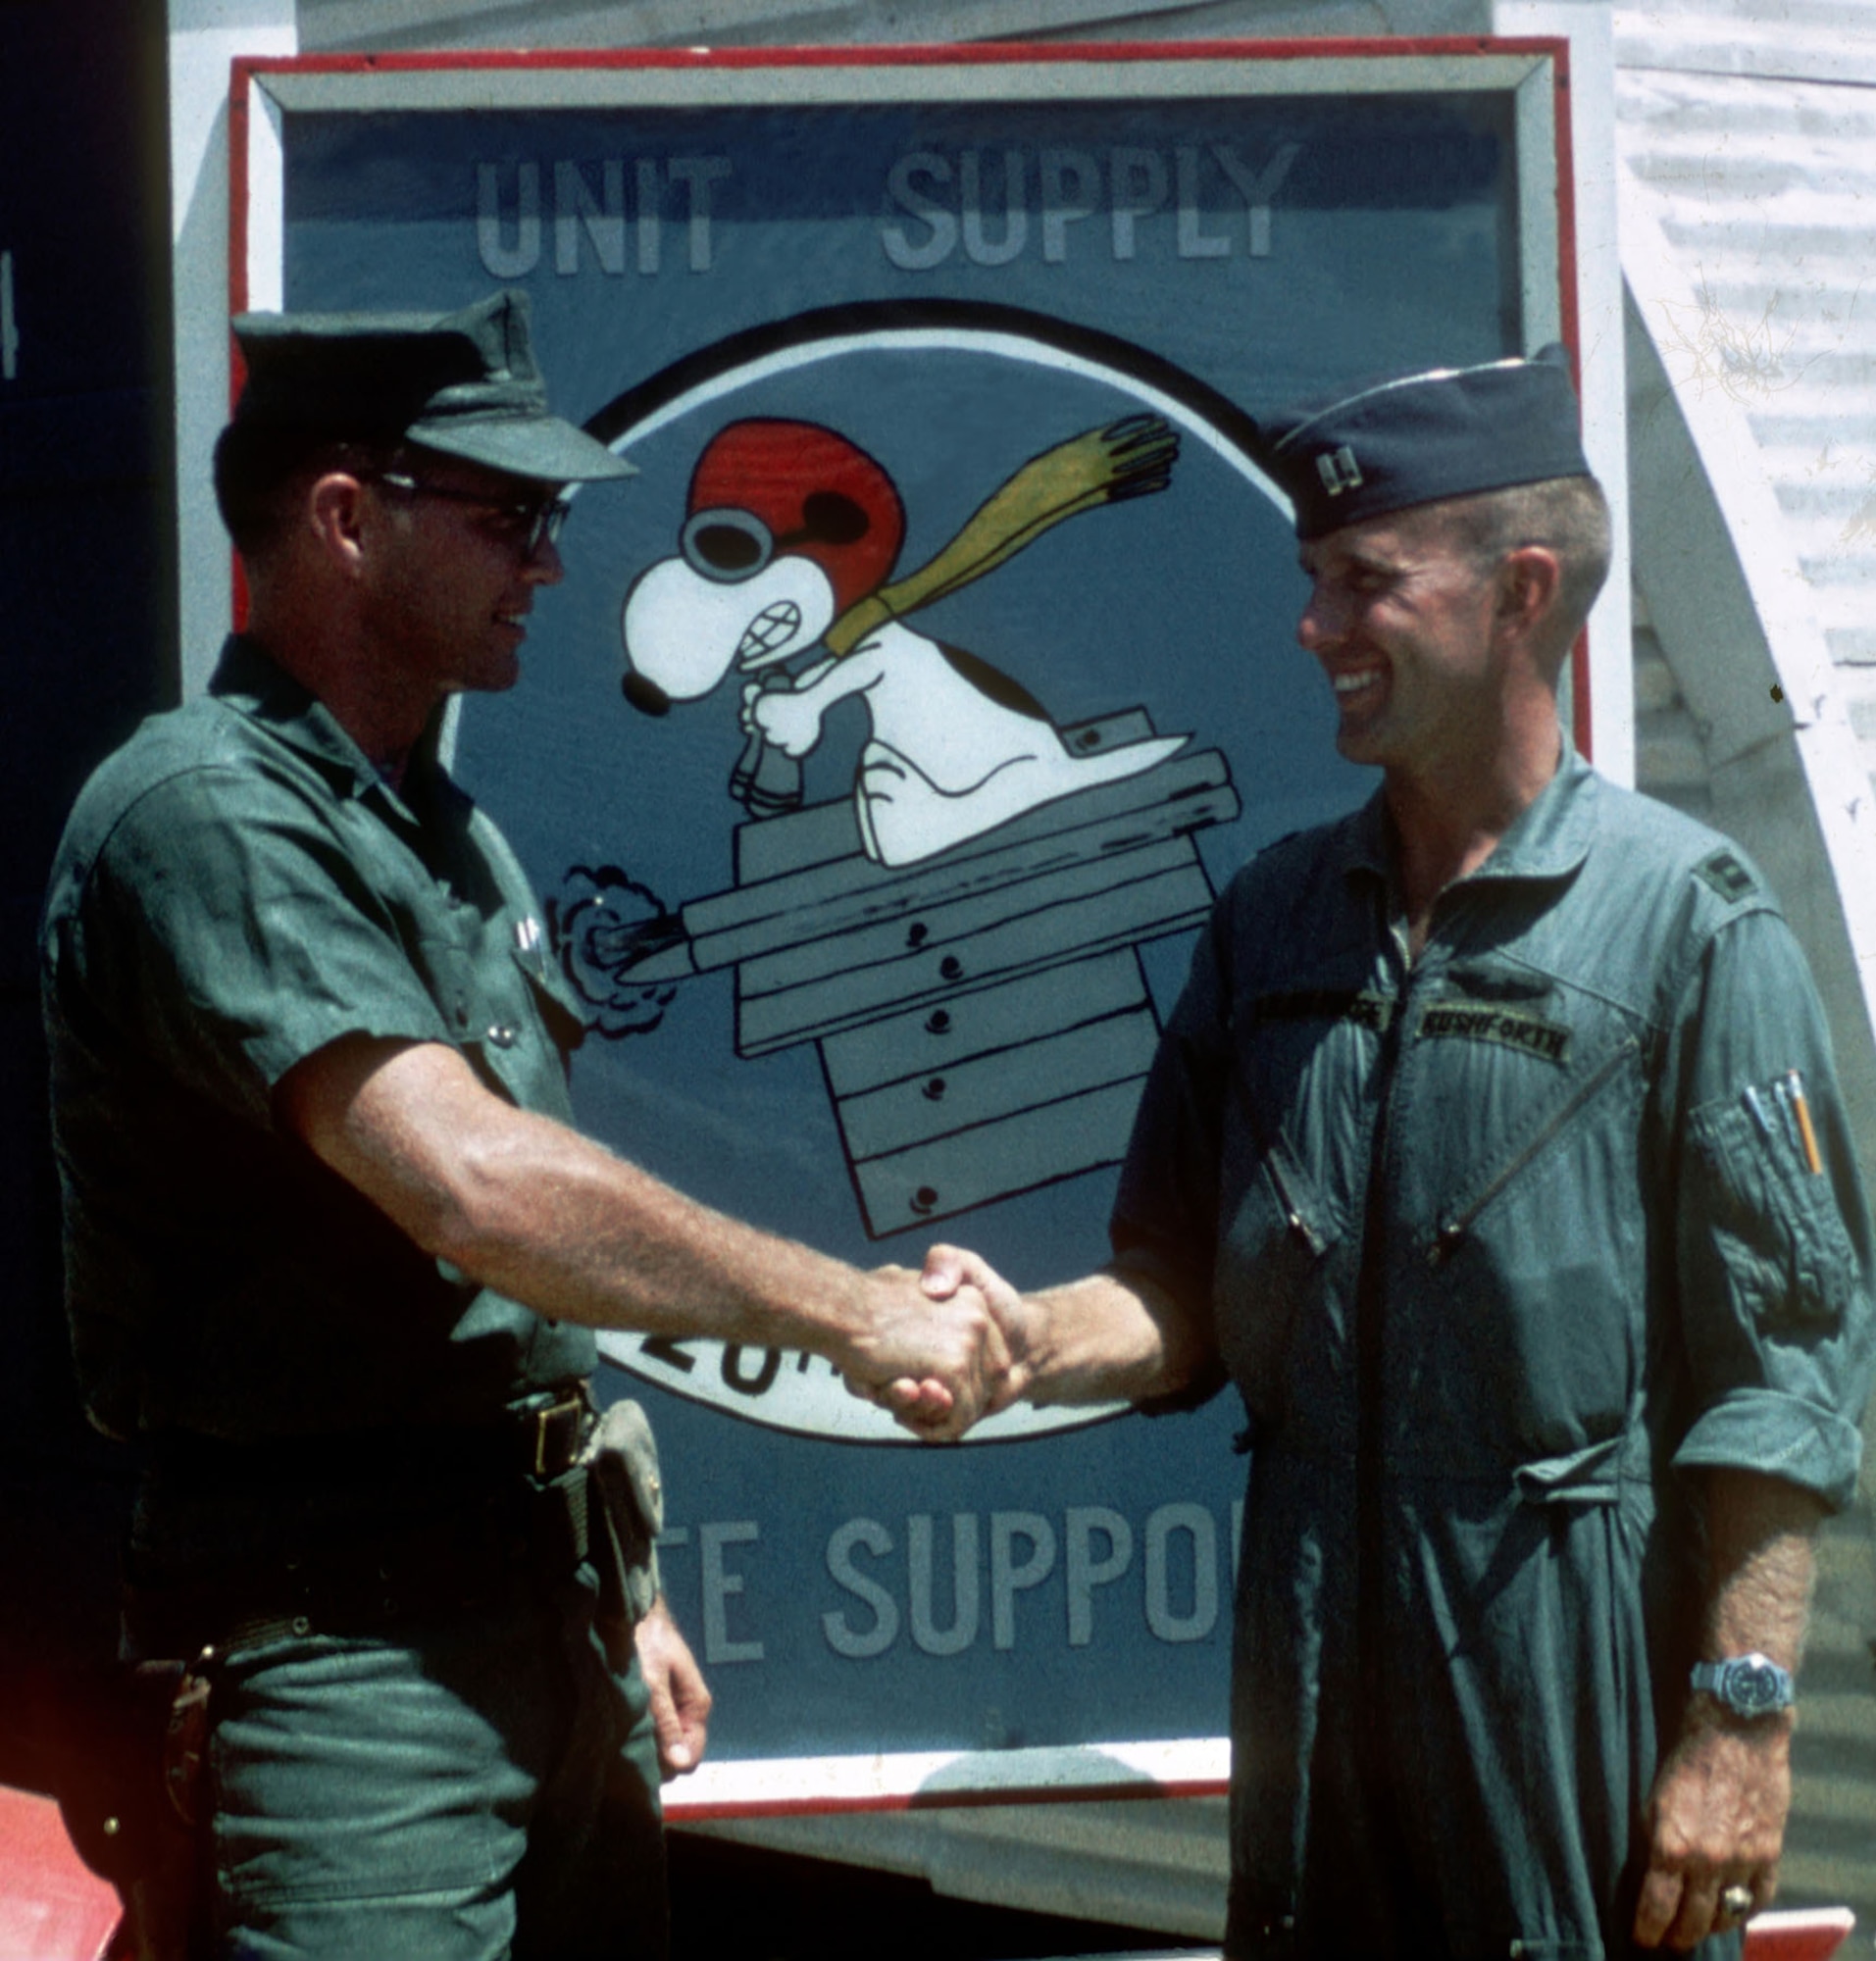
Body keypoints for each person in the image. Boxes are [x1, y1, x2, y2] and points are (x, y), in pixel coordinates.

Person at [39, 290, 1010, 1958]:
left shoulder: (435, 829)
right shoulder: (207, 813)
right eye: (508, 520)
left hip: (541, 1620)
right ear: (343, 519)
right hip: (352, 1674)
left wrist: (612, 1587)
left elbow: (508, 1309)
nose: (549, 565)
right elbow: (480, 1194)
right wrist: (856, 1312)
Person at [900, 350, 1876, 1958]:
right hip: (1310, 1665)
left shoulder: (1684, 922)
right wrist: (1029, 1342)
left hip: (1567, 1667)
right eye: (1311, 582)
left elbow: (1781, 1371)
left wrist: (1742, 1724)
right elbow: (1174, 1296)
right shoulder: (1274, 917)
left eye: (1363, 583)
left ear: (1522, 592)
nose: (1313, 629)